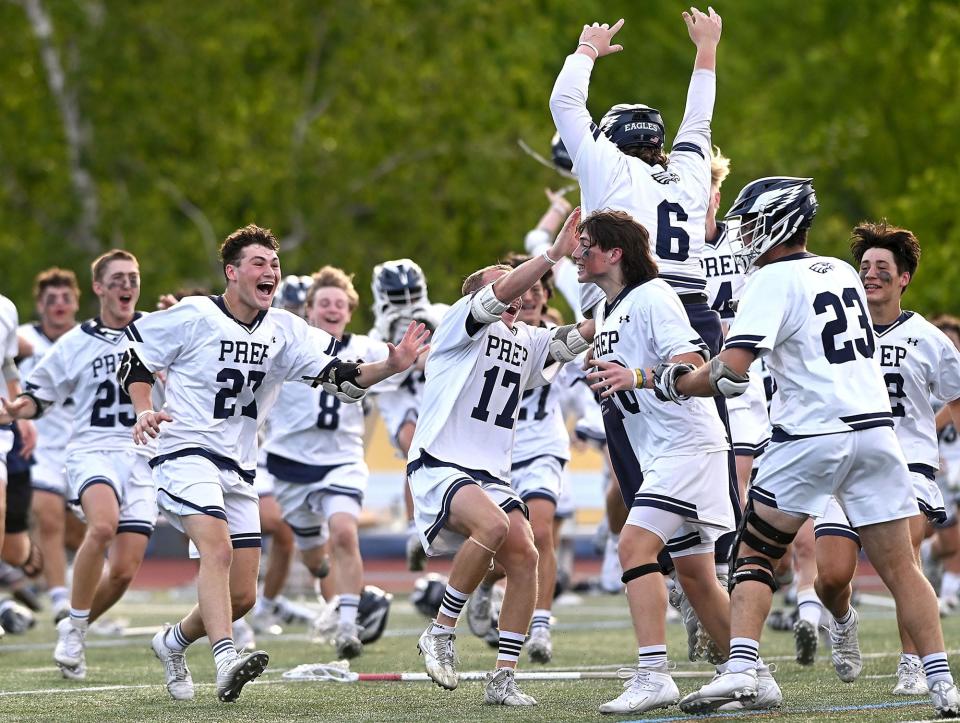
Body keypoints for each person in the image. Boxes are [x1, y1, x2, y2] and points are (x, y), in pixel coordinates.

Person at [661, 176, 960, 718]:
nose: (746, 233)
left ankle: (742, 671)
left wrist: (669, 382)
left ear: (776, 221)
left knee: (753, 552)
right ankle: (943, 685)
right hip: (875, 433)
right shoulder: (842, 271)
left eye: (752, 221)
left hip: (812, 435)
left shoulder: (770, 281)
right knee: (901, 567)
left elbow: (730, 374)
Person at [119, 224, 428, 703]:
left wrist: (392, 364)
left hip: (240, 466)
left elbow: (339, 379)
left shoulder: (284, 329)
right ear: (232, 272)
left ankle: (172, 642)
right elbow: (136, 360)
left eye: (275, 264)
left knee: (243, 596)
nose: (271, 272)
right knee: (216, 549)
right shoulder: (196, 314)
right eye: (258, 263)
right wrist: (143, 409)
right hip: (183, 450)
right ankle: (226, 658)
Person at [579, 210, 773, 715]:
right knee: (695, 576)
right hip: (667, 449)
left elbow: (692, 362)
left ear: (613, 252)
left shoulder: (653, 295)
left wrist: (636, 376)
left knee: (633, 546)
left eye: (585, 244)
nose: (578, 252)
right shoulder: (610, 308)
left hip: (687, 446)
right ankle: (755, 676)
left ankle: (653, 674)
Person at [409, 210, 591, 705]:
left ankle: (503, 678)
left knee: (526, 556)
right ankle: (441, 630)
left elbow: (577, 336)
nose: (517, 295)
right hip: (441, 459)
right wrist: (552, 255)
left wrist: (627, 287)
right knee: (491, 529)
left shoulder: (526, 339)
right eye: (502, 287)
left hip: (490, 471)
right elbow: (502, 291)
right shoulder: (458, 325)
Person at [811, 221, 960, 695]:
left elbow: (956, 394)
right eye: (864, 266)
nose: (869, 274)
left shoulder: (927, 337)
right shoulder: (836, 331)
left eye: (881, 267)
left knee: (905, 560)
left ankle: (914, 661)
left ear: (904, 278)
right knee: (831, 577)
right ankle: (842, 618)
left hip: (906, 465)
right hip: (844, 463)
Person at [1, 251, 157, 680]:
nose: (127, 285)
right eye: (118, 279)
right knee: (102, 526)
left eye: (133, 277)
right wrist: (16, 409)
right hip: (93, 448)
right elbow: (40, 395)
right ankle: (66, 617)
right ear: (100, 288)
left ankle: (75, 624)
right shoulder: (76, 341)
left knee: (124, 571)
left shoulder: (159, 329)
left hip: (144, 456)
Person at [263, 265, 395, 659]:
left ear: (350, 311)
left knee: (344, 532)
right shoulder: (288, 345)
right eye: (324, 303)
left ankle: (347, 625)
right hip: (290, 465)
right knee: (316, 557)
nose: (332, 309)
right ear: (310, 310)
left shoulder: (367, 348)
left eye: (340, 303)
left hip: (342, 459)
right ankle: (324, 578)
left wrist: (407, 357)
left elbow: (412, 365)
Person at [367, 259, 447, 571]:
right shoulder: (376, 333)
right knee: (414, 447)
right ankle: (415, 528)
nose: (406, 303)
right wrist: (398, 356)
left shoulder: (439, 313)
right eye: (398, 296)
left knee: (436, 455)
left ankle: (426, 524)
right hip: (398, 395)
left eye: (410, 293)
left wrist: (434, 333)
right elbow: (379, 375)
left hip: (433, 390)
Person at [17, 268, 82, 622]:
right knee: (49, 516)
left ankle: (86, 589)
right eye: (50, 299)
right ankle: (60, 600)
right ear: (39, 305)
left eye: (65, 297)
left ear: (76, 303)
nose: (58, 304)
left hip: (84, 446)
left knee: (97, 529)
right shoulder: (22, 337)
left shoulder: (89, 338)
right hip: (37, 445)